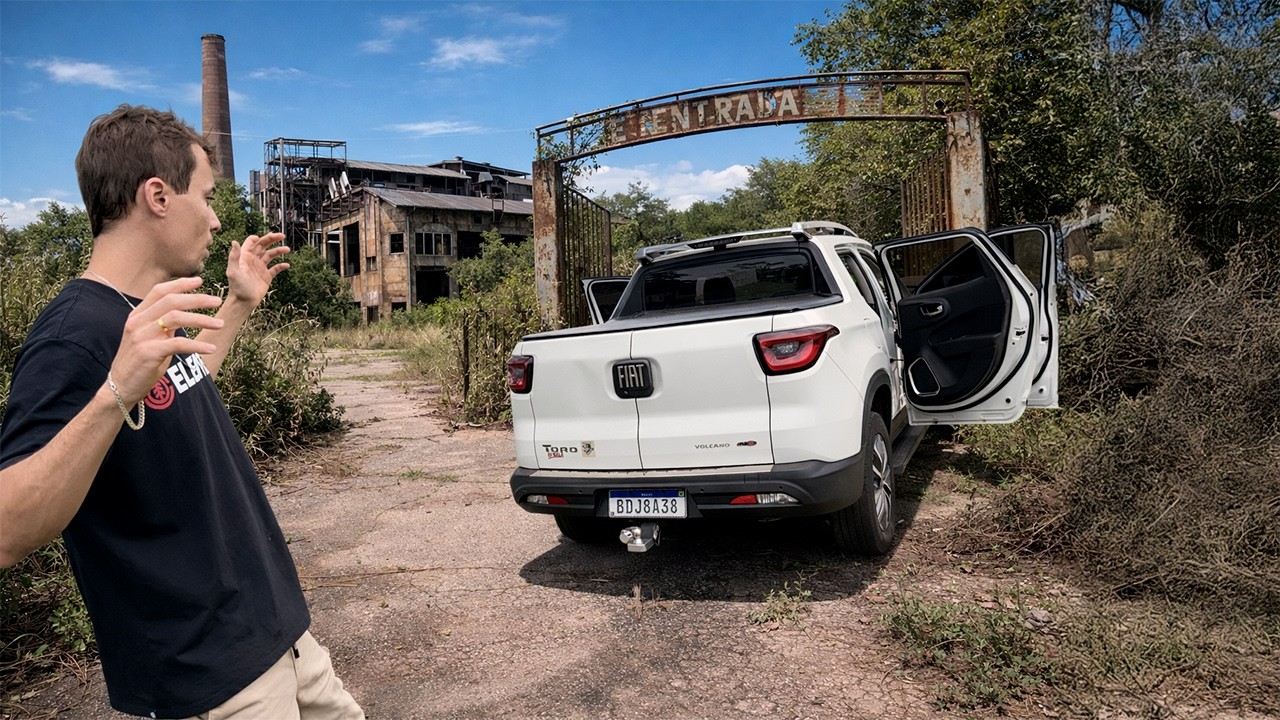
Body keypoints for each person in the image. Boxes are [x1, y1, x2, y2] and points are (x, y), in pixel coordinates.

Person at [0, 104, 365, 719]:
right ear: (158, 196)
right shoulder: (75, 335)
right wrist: (114, 389)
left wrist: (238, 306)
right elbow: (8, 527)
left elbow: (175, 393)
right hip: (209, 678)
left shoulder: (142, 312)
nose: (218, 217)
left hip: (279, 638)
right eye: (206, 194)